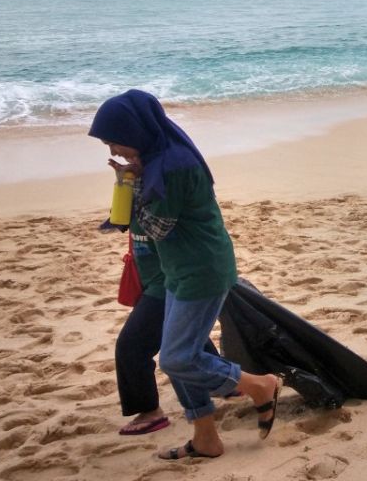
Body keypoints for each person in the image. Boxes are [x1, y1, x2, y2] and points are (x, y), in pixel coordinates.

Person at [89, 89, 281, 461]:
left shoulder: (172, 165)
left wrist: (130, 185)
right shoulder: (157, 159)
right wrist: (131, 181)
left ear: (135, 129)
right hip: (178, 270)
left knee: (177, 358)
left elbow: (153, 227)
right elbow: (130, 222)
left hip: (202, 271)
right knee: (180, 358)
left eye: (113, 140)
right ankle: (206, 438)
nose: (112, 150)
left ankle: (260, 385)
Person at [112, 213, 224, 437]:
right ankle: (225, 384)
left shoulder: (162, 191)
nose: (119, 176)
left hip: (166, 284)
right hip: (155, 281)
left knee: (131, 347)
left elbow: (177, 225)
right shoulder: (135, 191)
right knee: (185, 340)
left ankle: (150, 411)